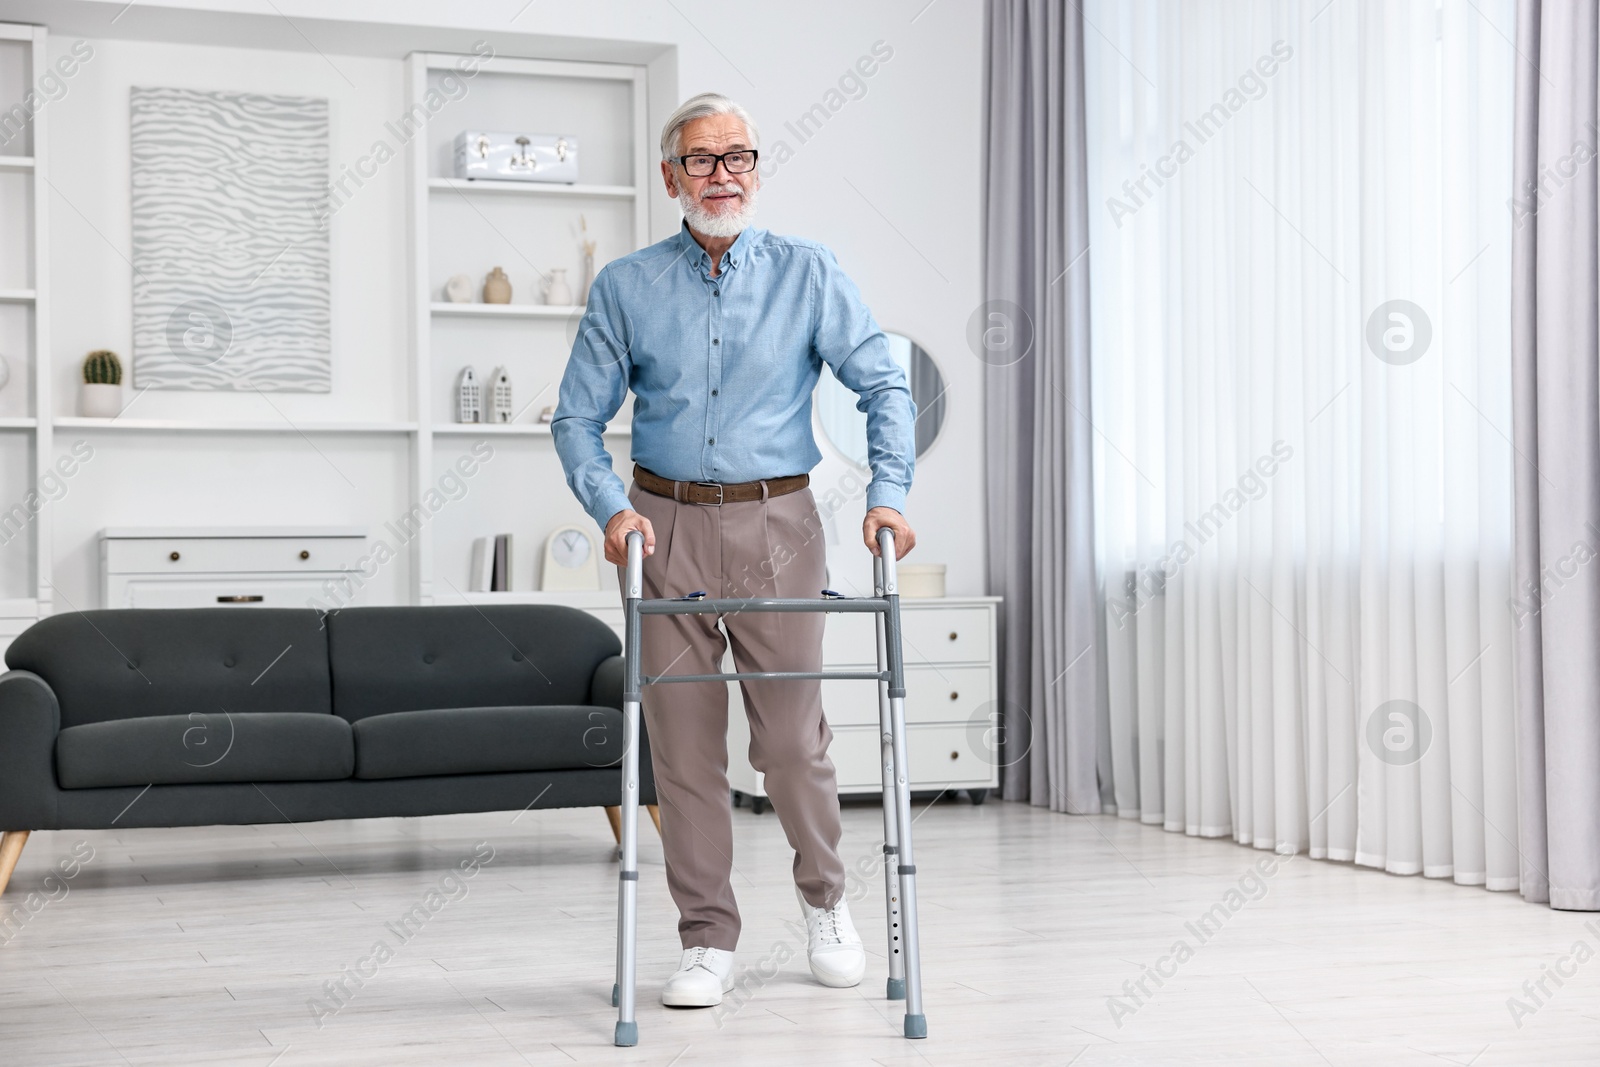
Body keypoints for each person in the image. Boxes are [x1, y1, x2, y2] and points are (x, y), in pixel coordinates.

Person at [552, 91, 916, 1009]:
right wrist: (610, 509)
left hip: (777, 527)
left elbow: (883, 384)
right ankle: (707, 936)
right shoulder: (627, 286)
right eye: (704, 161)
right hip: (661, 525)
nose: (723, 177)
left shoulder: (809, 273)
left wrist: (888, 495)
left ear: (756, 168)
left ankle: (826, 901)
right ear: (671, 176)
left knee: (792, 743)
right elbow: (576, 419)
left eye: (739, 158)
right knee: (683, 751)